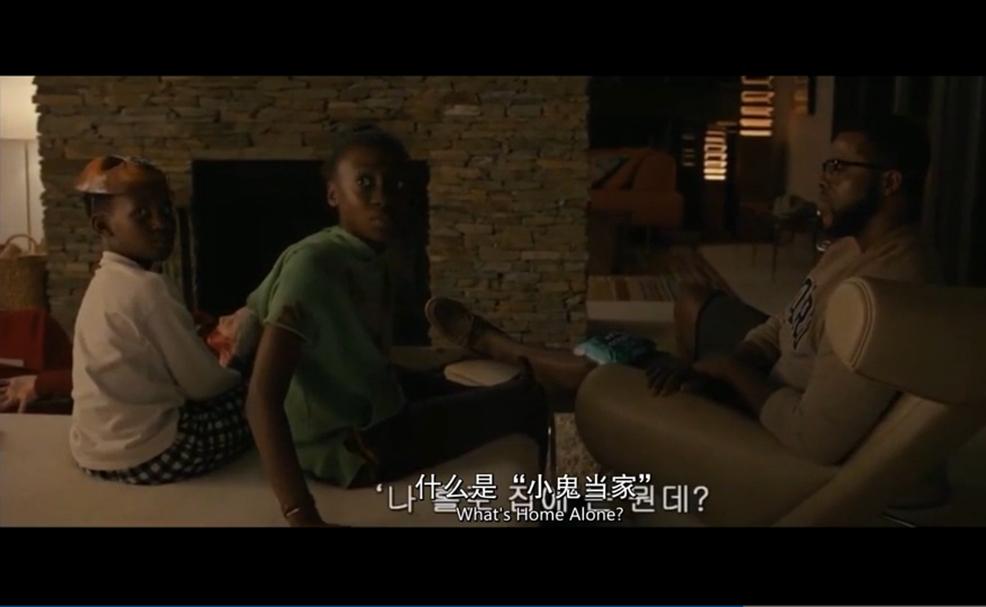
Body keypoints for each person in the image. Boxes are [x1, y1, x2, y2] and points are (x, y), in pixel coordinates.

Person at [428, 113, 940, 466]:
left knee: (608, 372)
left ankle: (505, 350)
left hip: (773, 411)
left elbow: (814, 439)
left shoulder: (884, 293)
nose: (822, 178)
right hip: (769, 371)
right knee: (692, 300)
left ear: (890, 183)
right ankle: (682, 391)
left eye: (839, 166)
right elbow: (785, 323)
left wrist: (730, 372)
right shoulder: (853, 246)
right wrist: (726, 361)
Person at [243, 127, 551, 527]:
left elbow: (355, 356)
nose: (383, 198)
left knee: (486, 386)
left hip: (369, 406)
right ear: (333, 194)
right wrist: (302, 515)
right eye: (365, 183)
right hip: (352, 447)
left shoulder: (366, 257)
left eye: (395, 185)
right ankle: (544, 507)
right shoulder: (312, 266)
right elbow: (261, 398)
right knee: (529, 399)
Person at [69, 156, 251, 485]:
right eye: (142, 214)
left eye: (166, 210)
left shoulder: (103, 282)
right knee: (263, 396)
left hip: (95, 449)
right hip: (149, 452)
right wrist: (241, 363)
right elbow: (205, 386)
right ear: (103, 227)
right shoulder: (148, 287)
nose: (161, 223)